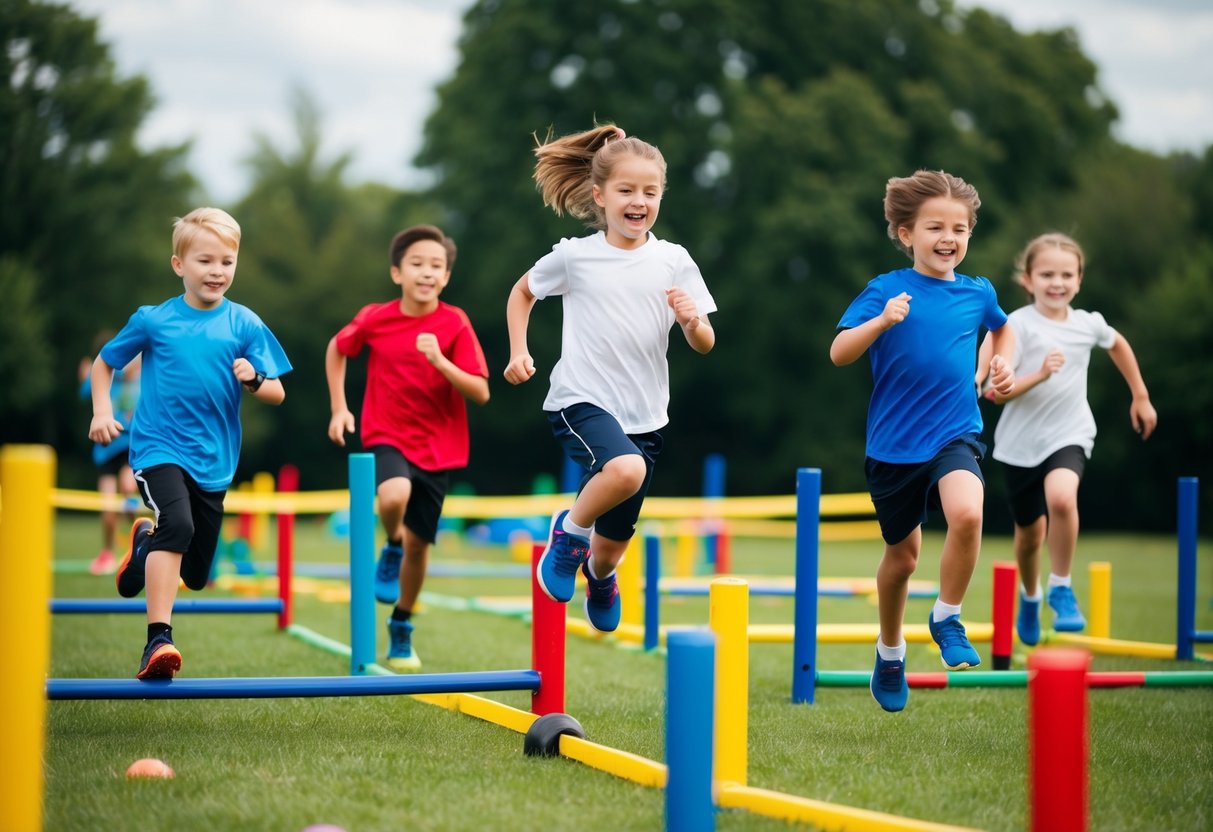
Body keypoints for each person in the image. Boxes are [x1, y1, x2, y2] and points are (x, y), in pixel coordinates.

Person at [504, 124, 716, 634]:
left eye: (650, 191)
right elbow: (522, 292)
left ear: (661, 196)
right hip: (581, 399)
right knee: (625, 471)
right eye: (626, 190)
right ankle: (567, 535)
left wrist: (691, 321)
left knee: (614, 543)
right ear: (600, 196)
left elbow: (705, 342)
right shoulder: (576, 257)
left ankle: (599, 576)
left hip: (646, 414)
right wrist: (519, 350)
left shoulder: (674, 261)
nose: (638, 201)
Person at [829, 170, 1016, 712]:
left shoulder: (979, 293)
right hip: (892, 448)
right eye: (936, 227)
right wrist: (881, 323)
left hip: (954, 433)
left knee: (968, 514)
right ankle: (890, 651)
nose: (949, 238)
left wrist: (995, 365)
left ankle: (947, 615)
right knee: (903, 559)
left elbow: (1001, 327)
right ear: (906, 233)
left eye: (960, 228)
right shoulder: (886, 290)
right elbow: (839, 352)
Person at [88, 207, 291, 681]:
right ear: (179, 265)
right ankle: (158, 640)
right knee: (176, 524)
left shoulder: (244, 324)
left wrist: (255, 378)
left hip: (214, 460)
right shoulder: (154, 320)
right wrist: (102, 411)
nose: (216, 271)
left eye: (226, 262)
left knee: (197, 573)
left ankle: (143, 547)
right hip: (157, 446)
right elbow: (104, 362)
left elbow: (279, 392)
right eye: (205, 261)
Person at [979, 232, 1157, 646]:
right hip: (1020, 444)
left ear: (1079, 280)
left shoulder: (1087, 324)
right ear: (1027, 279)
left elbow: (1118, 345)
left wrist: (1141, 395)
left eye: (1066, 275)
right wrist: (1040, 373)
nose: (1056, 283)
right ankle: (1030, 595)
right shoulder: (1015, 326)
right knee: (1028, 537)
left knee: (1062, 498)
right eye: (1046, 274)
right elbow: (995, 392)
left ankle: (1060, 586)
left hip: (1070, 432)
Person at [326, 224, 489, 672]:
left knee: (422, 547)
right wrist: (340, 408)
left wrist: (440, 360)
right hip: (386, 433)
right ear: (397, 272)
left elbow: (480, 391)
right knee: (393, 495)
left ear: (446, 277)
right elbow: (337, 349)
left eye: (436, 266)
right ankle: (391, 542)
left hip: (439, 447)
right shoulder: (376, 317)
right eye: (417, 264)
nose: (427, 272)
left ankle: (402, 623)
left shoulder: (454, 323)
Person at [78, 333, 142, 575]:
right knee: (107, 508)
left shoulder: (141, 377)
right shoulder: (108, 377)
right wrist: (85, 375)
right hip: (106, 450)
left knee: (128, 489)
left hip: (130, 446)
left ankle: (140, 538)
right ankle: (106, 553)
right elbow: (86, 391)